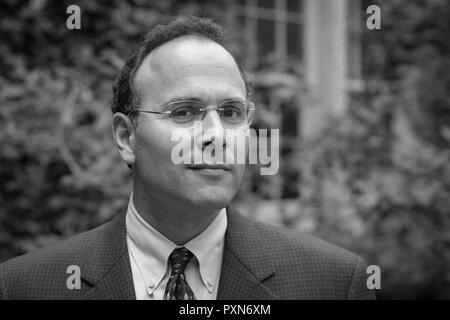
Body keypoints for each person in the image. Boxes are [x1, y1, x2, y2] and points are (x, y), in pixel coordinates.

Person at [0, 16, 375, 300]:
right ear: (127, 137)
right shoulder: (25, 287)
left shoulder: (333, 283)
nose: (215, 135)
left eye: (230, 113)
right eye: (184, 112)